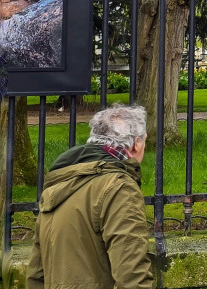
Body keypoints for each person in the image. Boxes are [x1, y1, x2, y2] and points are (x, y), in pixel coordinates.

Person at [26, 104, 154, 289]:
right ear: (136, 144)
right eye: (144, 141)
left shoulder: (58, 185)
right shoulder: (119, 187)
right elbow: (132, 274)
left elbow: (36, 273)